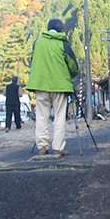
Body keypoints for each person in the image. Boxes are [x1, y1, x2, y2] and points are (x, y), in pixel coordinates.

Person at [27, 18, 79, 155]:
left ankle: (42, 146)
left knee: (41, 116)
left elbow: (33, 60)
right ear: (62, 30)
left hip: (40, 84)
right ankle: (58, 147)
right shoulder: (63, 44)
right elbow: (73, 67)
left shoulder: (37, 43)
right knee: (59, 117)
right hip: (60, 86)